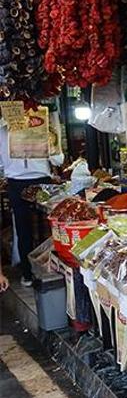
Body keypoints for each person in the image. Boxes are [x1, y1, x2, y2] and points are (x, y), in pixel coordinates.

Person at [0, 123, 63, 287]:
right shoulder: (44, 125)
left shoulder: (3, 130)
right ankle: (46, 271)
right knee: (49, 228)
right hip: (38, 181)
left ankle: (30, 274)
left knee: (25, 230)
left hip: (19, 182)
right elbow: (58, 159)